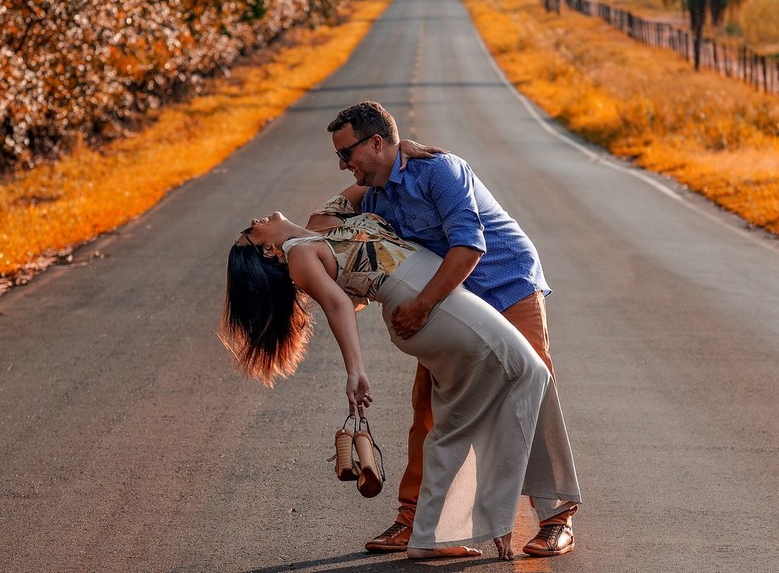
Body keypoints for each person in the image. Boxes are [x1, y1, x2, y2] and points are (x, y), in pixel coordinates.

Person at [220, 210, 580, 559]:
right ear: (268, 251)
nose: (253, 222)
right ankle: (504, 518)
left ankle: (431, 536)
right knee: (531, 375)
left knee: (455, 422)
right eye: (250, 234)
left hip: (438, 307)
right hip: (433, 312)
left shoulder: (320, 225)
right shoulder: (298, 255)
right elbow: (337, 305)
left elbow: (368, 172)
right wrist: (355, 370)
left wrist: (404, 147)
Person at [309, 100, 580, 557]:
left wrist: (422, 306)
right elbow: (319, 225)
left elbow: (469, 247)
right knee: (428, 405)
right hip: (455, 300)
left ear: (377, 142)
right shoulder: (375, 195)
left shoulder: (439, 170)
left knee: (531, 388)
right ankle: (414, 520)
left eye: (347, 153)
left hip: (504, 284)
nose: (342, 163)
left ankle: (556, 519)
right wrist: (373, 173)